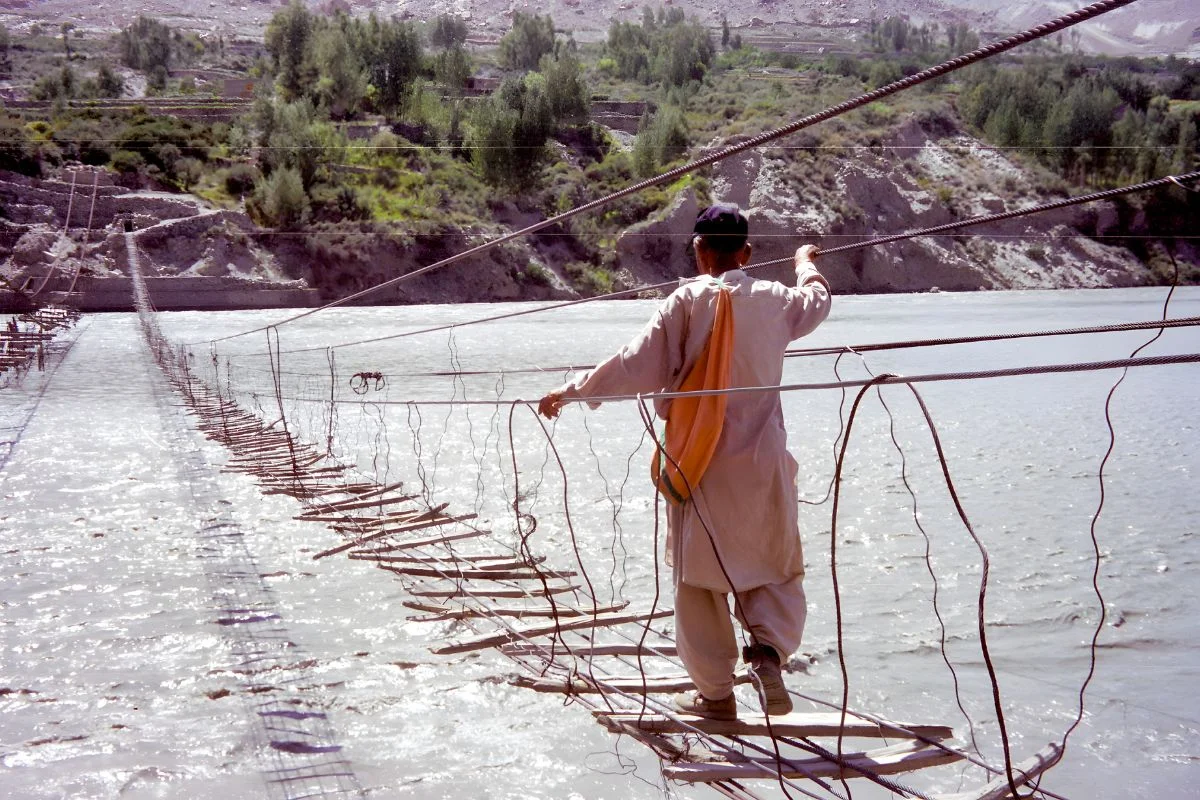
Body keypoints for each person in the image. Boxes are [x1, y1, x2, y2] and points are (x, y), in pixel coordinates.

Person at [538, 203, 831, 720]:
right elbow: (817, 299)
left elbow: (633, 365)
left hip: (699, 463)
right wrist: (804, 261)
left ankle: (716, 696)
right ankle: (768, 651)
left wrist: (573, 389)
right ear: (746, 252)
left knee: (698, 582)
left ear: (698, 251)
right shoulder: (776, 300)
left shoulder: (685, 302)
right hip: (764, 465)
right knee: (773, 566)